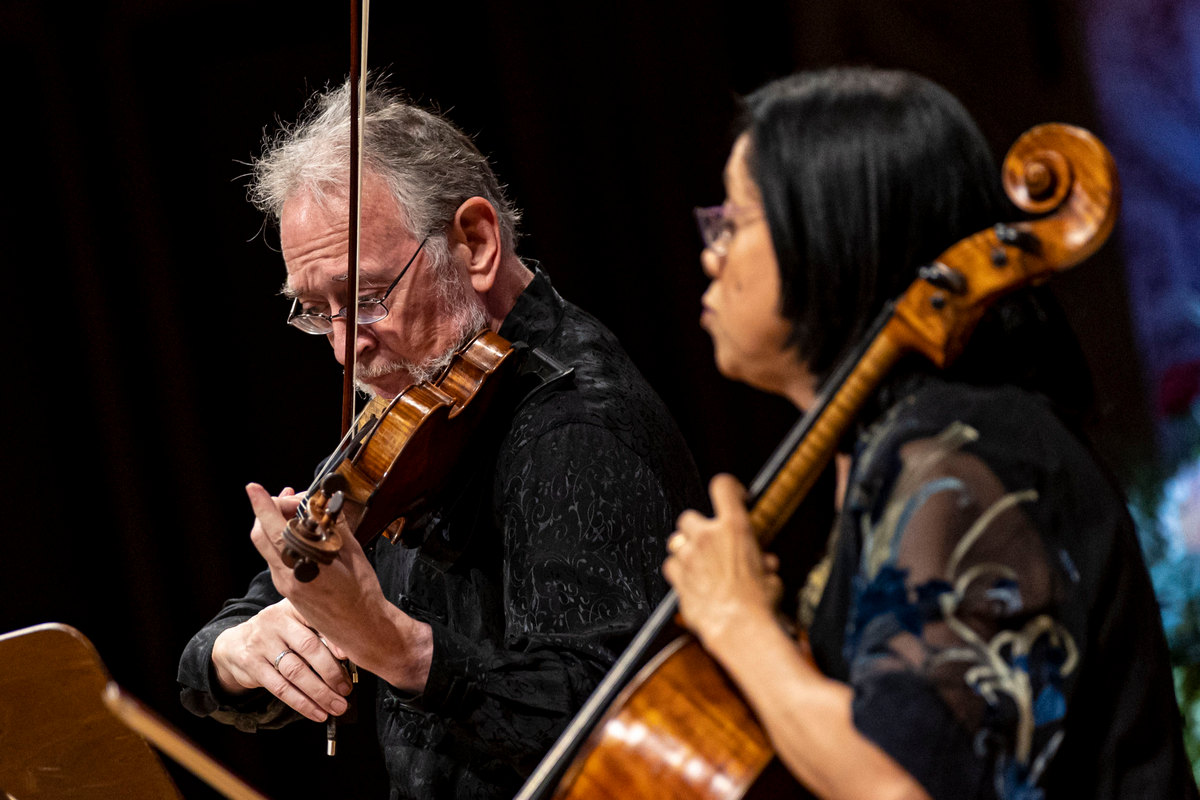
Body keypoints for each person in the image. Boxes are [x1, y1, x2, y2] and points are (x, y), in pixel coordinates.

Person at [663, 67, 1199, 800]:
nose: (710, 251)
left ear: (831, 229)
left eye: (737, 218)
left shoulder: (966, 455)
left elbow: (900, 786)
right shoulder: (905, 445)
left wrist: (736, 620)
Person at [177, 77, 702, 800]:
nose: (342, 349)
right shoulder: (418, 405)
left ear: (476, 242)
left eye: (364, 300)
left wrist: (394, 647)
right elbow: (233, 637)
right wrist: (241, 649)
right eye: (314, 310)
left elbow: (610, 724)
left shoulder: (576, 423)